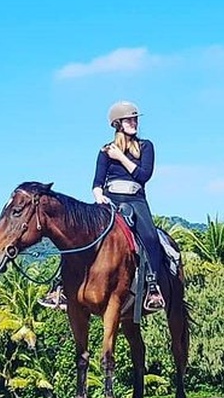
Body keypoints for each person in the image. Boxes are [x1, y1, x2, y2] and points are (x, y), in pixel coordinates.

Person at [38, 101, 166, 312]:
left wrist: (121, 157)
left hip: (135, 200)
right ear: (118, 124)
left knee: (150, 236)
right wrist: (98, 193)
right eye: (129, 119)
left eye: (135, 119)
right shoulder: (105, 151)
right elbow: (97, 181)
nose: (134, 123)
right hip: (110, 199)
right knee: (76, 234)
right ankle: (59, 287)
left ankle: (153, 287)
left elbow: (144, 175)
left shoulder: (146, 146)